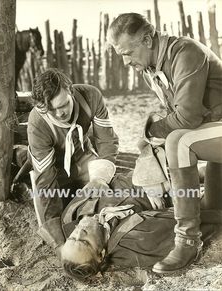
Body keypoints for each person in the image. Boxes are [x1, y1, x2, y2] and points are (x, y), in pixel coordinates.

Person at [107, 13, 222, 274]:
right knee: (213, 212)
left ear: (147, 40)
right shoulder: (152, 69)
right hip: (217, 138)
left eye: (128, 52)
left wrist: (148, 131)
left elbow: (186, 117)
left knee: (178, 142)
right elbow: (176, 115)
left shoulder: (185, 51)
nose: (125, 61)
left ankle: (187, 241)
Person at [59, 174, 222, 281]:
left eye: (72, 237)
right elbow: (196, 221)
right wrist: (162, 187)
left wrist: (145, 182)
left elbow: (107, 181)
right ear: (101, 253)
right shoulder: (137, 239)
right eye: (85, 241)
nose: (79, 230)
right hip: (179, 191)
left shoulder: (72, 215)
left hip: (145, 175)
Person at [27, 68, 119, 251]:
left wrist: (100, 178)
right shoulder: (37, 123)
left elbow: (106, 140)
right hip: (54, 169)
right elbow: (46, 180)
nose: (59, 113)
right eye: (52, 110)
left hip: (83, 156)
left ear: (71, 91)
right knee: (58, 219)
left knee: (111, 192)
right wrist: (60, 245)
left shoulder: (90, 96)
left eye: (63, 105)